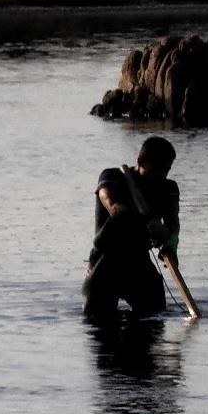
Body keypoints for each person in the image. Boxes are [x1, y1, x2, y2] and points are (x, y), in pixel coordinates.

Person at [83, 136, 180, 318]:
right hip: (106, 260)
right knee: (97, 320)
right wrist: (145, 220)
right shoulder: (112, 177)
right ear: (141, 162)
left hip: (138, 261)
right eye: (157, 168)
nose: (162, 175)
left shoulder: (168, 188)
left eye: (167, 169)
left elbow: (173, 221)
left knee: (154, 314)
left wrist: (171, 241)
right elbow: (113, 206)